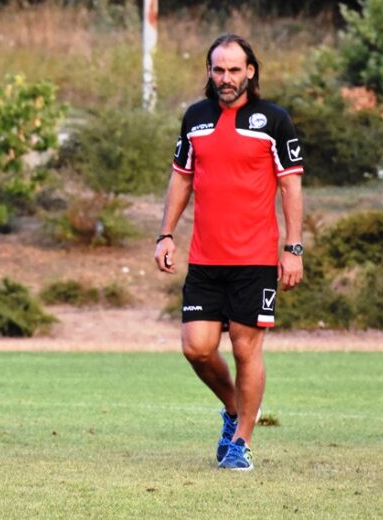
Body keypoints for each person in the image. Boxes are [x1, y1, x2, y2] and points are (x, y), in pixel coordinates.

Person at [154, 33, 304, 471]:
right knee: (196, 348)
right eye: (218, 70)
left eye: (234, 70)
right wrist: (165, 234)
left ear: (250, 72)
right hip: (205, 258)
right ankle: (236, 409)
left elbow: (290, 185)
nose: (226, 78)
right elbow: (182, 178)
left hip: (254, 259)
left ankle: (241, 443)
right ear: (209, 71)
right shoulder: (195, 117)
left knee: (245, 349)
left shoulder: (274, 120)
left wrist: (293, 248)